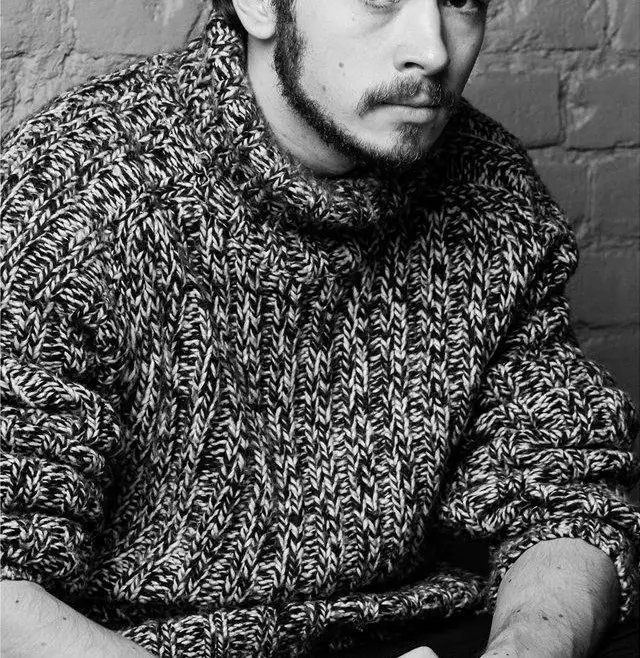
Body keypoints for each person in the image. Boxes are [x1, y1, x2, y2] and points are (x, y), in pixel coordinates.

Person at [1, 1, 638, 657]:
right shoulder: (77, 193)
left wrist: (523, 649)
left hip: (421, 630)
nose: (434, 50)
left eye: (462, 1)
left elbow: (568, 499)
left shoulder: (489, 187)